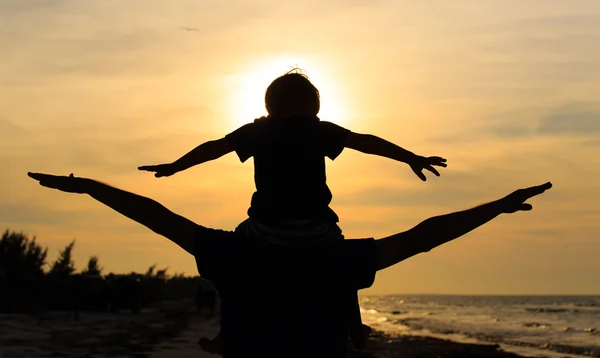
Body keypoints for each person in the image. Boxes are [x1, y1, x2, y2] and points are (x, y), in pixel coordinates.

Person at [27, 172, 552, 358]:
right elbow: (423, 238)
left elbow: (156, 216)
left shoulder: (232, 253)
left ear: (258, 203)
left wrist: (91, 187)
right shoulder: (337, 258)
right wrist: (496, 206)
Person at [138, 70, 447, 350]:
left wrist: (177, 166)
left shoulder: (258, 131)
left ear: (270, 105)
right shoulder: (319, 130)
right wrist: (410, 157)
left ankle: (227, 332)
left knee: (231, 265)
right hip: (316, 228)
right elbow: (366, 142)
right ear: (314, 107)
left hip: (264, 228)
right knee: (343, 262)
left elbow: (215, 146)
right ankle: (354, 327)